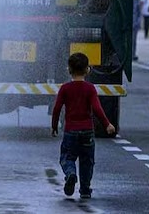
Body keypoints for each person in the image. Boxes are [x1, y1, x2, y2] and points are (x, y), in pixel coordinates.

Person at [51, 53, 116, 199]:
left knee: (67, 157)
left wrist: (54, 126)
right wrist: (107, 124)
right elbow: (97, 108)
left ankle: (70, 173)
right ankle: (85, 190)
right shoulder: (90, 88)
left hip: (70, 131)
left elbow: (56, 109)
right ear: (88, 70)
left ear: (68, 70)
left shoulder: (65, 88)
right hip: (87, 131)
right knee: (87, 161)